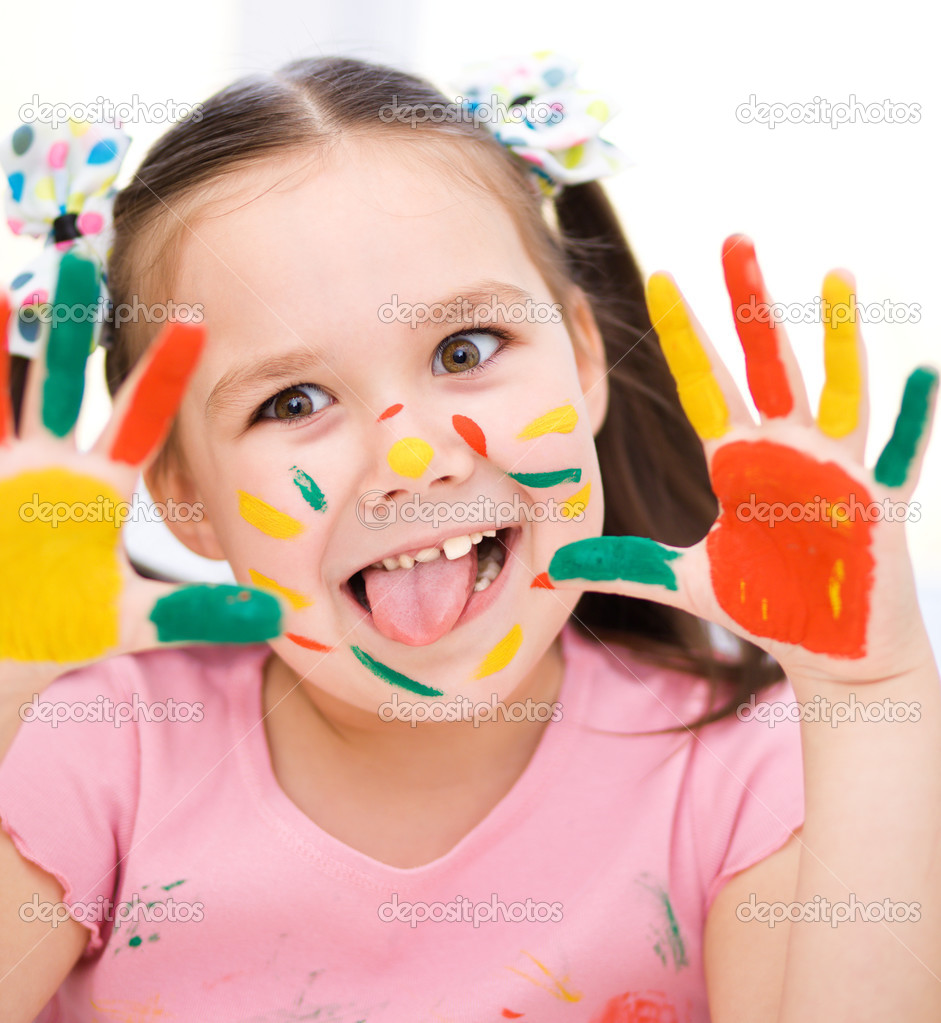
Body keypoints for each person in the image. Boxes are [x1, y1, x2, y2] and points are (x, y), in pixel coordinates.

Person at [0, 53, 938, 1022]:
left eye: (465, 350)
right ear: (187, 495)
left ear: (582, 357)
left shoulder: (742, 776)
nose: (412, 456)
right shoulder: (104, 749)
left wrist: (869, 689)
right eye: (294, 400)